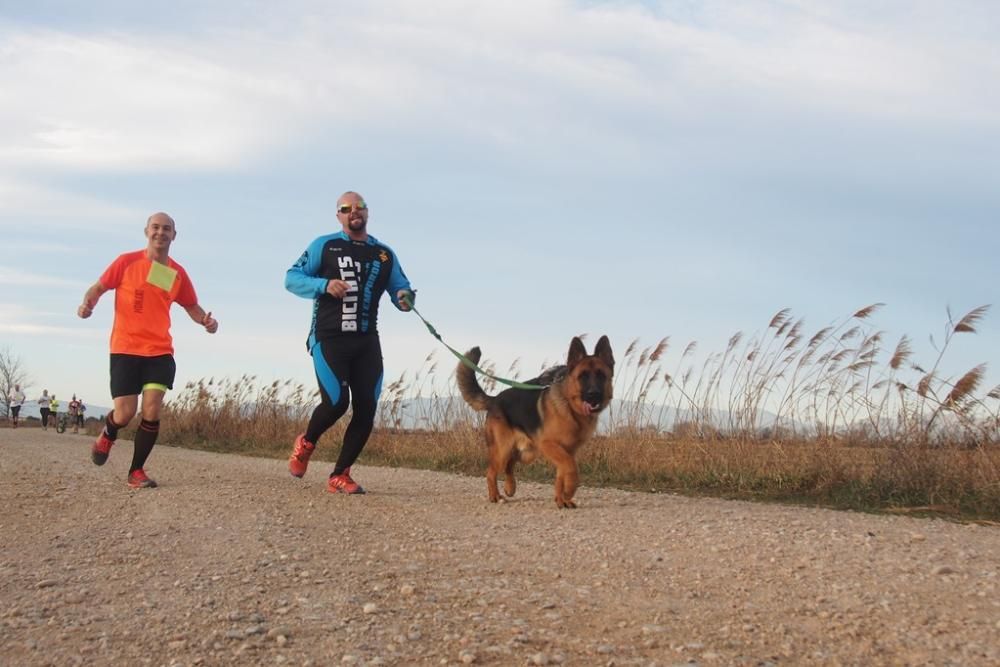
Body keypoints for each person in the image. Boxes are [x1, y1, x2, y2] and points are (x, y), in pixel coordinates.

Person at [285, 191, 414, 494]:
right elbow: (291, 278)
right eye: (346, 208)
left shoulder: (384, 254)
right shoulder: (325, 245)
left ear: (367, 212)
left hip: (367, 340)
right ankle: (306, 443)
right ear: (338, 216)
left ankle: (339, 474)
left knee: (367, 407)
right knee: (337, 402)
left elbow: (402, 290)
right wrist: (324, 285)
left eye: (359, 207)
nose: (353, 211)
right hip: (329, 337)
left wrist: (405, 299)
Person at [77, 212, 219, 489]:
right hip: (125, 348)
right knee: (125, 413)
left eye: (167, 229)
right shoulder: (127, 262)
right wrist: (88, 305)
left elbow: (191, 305)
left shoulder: (176, 273)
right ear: (146, 231)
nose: (160, 233)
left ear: (174, 236)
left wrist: (205, 321)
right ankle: (109, 432)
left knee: (152, 409)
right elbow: (99, 286)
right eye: (156, 227)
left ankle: (136, 471)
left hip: (158, 351)